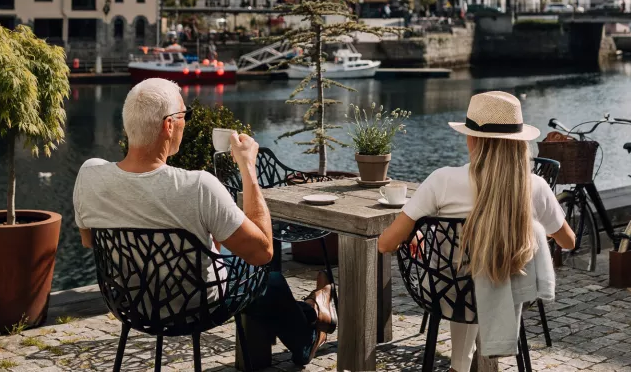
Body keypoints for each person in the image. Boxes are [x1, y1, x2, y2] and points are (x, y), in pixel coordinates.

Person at [73, 78, 336, 366]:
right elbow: (263, 252)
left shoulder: (89, 174)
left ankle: (313, 311)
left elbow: (89, 241)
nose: (186, 123)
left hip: (130, 305)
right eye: (185, 115)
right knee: (266, 277)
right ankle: (309, 324)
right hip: (195, 306)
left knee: (235, 258)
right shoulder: (198, 186)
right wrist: (248, 167)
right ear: (168, 125)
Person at [378, 91, 575, 372]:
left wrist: (421, 236)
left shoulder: (442, 180)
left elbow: (386, 243)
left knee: (463, 275)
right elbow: (568, 240)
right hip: (510, 291)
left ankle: (460, 366)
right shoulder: (535, 187)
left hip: (446, 295)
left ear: (472, 139)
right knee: (482, 272)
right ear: (518, 143)